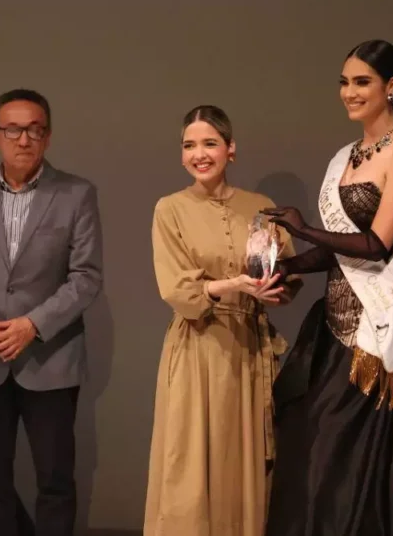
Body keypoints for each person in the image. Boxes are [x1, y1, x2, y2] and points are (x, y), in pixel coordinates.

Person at [262, 40, 393, 536]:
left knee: (351, 456)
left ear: (391, 86)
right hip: (333, 325)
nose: (349, 92)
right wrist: (288, 266)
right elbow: (338, 252)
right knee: (311, 448)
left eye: (362, 81)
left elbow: (375, 245)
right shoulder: (346, 155)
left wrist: (302, 229)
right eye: (344, 82)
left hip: (377, 329)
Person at [0, 88, 103, 536]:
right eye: (13, 130)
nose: (23, 139)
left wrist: (33, 325)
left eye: (34, 130)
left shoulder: (76, 193)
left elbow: (86, 276)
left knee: (55, 482)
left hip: (51, 358)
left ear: (48, 136)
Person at [144, 105, 303, 536]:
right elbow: (178, 289)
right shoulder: (170, 209)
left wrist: (275, 288)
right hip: (198, 346)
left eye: (209, 143)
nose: (199, 154)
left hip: (248, 347)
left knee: (242, 460)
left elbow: (287, 275)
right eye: (189, 145)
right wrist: (234, 284)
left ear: (230, 149)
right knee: (191, 464)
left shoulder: (261, 208)